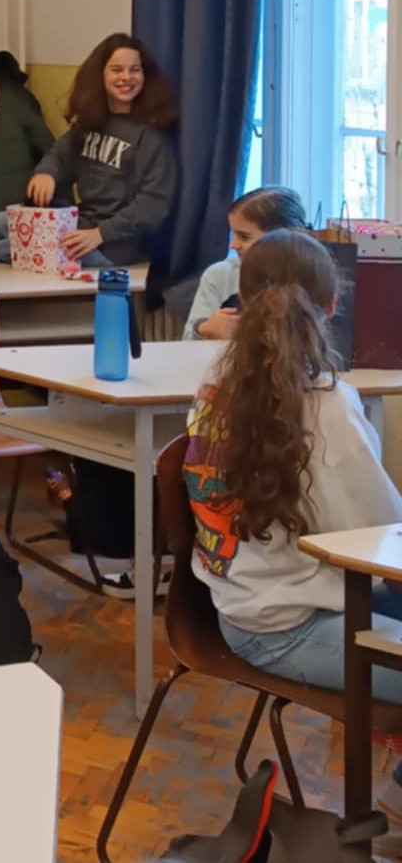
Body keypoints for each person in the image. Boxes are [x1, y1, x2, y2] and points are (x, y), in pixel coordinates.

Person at [184, 229, 402, 842]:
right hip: (288, 625)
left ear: (241, 299)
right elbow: (380, 537)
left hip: (246, 604)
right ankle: (398, 802)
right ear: (332, 307)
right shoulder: (326, 406)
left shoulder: (216, 381)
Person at [0, 32, 178, 268]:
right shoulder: (92, 120)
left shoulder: (152, 135)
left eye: (135, 70)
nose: (126, 77)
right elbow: (60, 155)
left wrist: (100, 234)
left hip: (115, 245)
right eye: (117, 70)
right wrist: (46, 173)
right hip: (81, 224)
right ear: (101, 75)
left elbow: (153, 206)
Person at [182, 186, 307, 340]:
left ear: (283, 237)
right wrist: (204, 328)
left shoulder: (311, 276)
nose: (233, 244)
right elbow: (186, 339)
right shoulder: (219, 275)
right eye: (233, 234)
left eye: (244, 237)